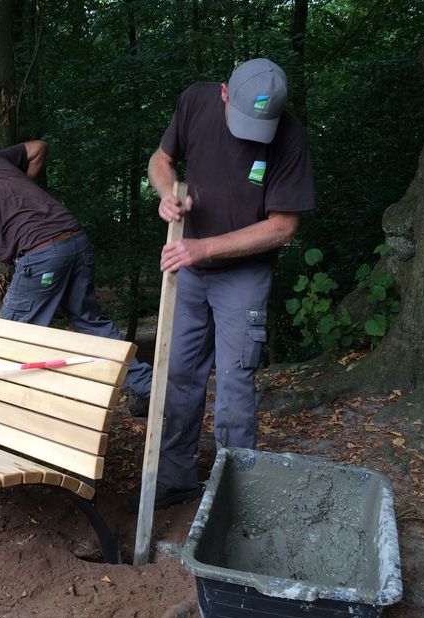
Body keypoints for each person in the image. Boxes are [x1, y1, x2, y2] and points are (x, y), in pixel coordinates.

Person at [136, 58, 316, 511]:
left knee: (235, 386)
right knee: (178, 374)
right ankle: (175, 478)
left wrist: (207, 248)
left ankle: (234, 491)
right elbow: (161, 160)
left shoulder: (289, 135)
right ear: (223, 93)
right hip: (189, 268)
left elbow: (283, 226)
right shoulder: (196, 101)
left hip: (243, 275)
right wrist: (168, 191)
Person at [0, 140, 153, 411]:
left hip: (43, 255)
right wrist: (22, 191)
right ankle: (147, 386)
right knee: (91, 325)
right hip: (76, 240)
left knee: (8, 342)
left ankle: (1, 423)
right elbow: (38, 148)